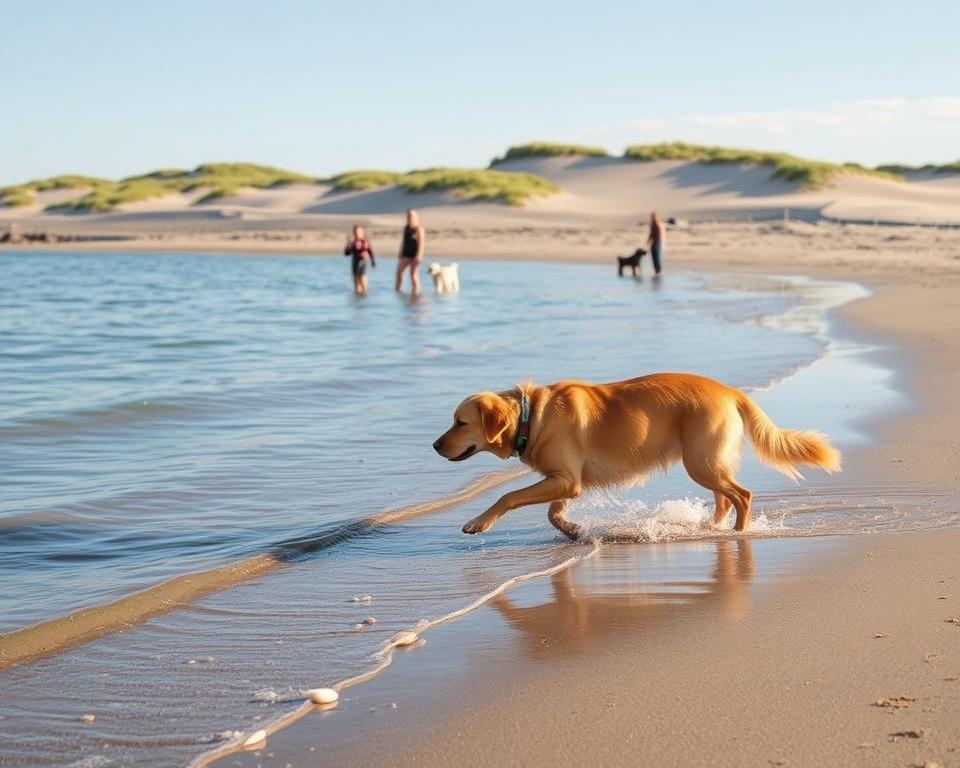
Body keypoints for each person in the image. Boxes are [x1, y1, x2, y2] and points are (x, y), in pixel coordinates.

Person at [395, 209, 425, 293]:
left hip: (415, 254)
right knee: (399, 272)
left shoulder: (419, 228)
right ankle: (397, 290)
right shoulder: (406, 228)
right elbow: (404, 241)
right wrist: (400, 252)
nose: (408, 217)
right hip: (406, 254)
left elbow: (421, 243)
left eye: (410, 216)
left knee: (413, 275)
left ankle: (416, 291)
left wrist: (419, 255)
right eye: (408, 216)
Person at [344, 225, 375, 295]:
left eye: (359, 232)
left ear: (362, 232)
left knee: (362, 278)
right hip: (355, 263)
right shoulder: (353, 243)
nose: (357, 233)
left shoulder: (365, 242)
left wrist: (373, 262)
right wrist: (348, 245)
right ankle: (358, 296)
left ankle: (365, 294)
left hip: (363, 262)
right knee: (356, 281)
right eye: (356, 232)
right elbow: (347, 253)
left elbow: (370, 252)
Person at [646, 211, 665, 276]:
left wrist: (649, 241)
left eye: (653, 216)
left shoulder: (656, 224)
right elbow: (652, 233)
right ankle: (657, 270)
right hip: (657, 242)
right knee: (655, 256)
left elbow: (653, 234)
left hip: (657, 242)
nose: (652, 218)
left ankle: (658, 270)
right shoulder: (657, 223)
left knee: (656, 256)